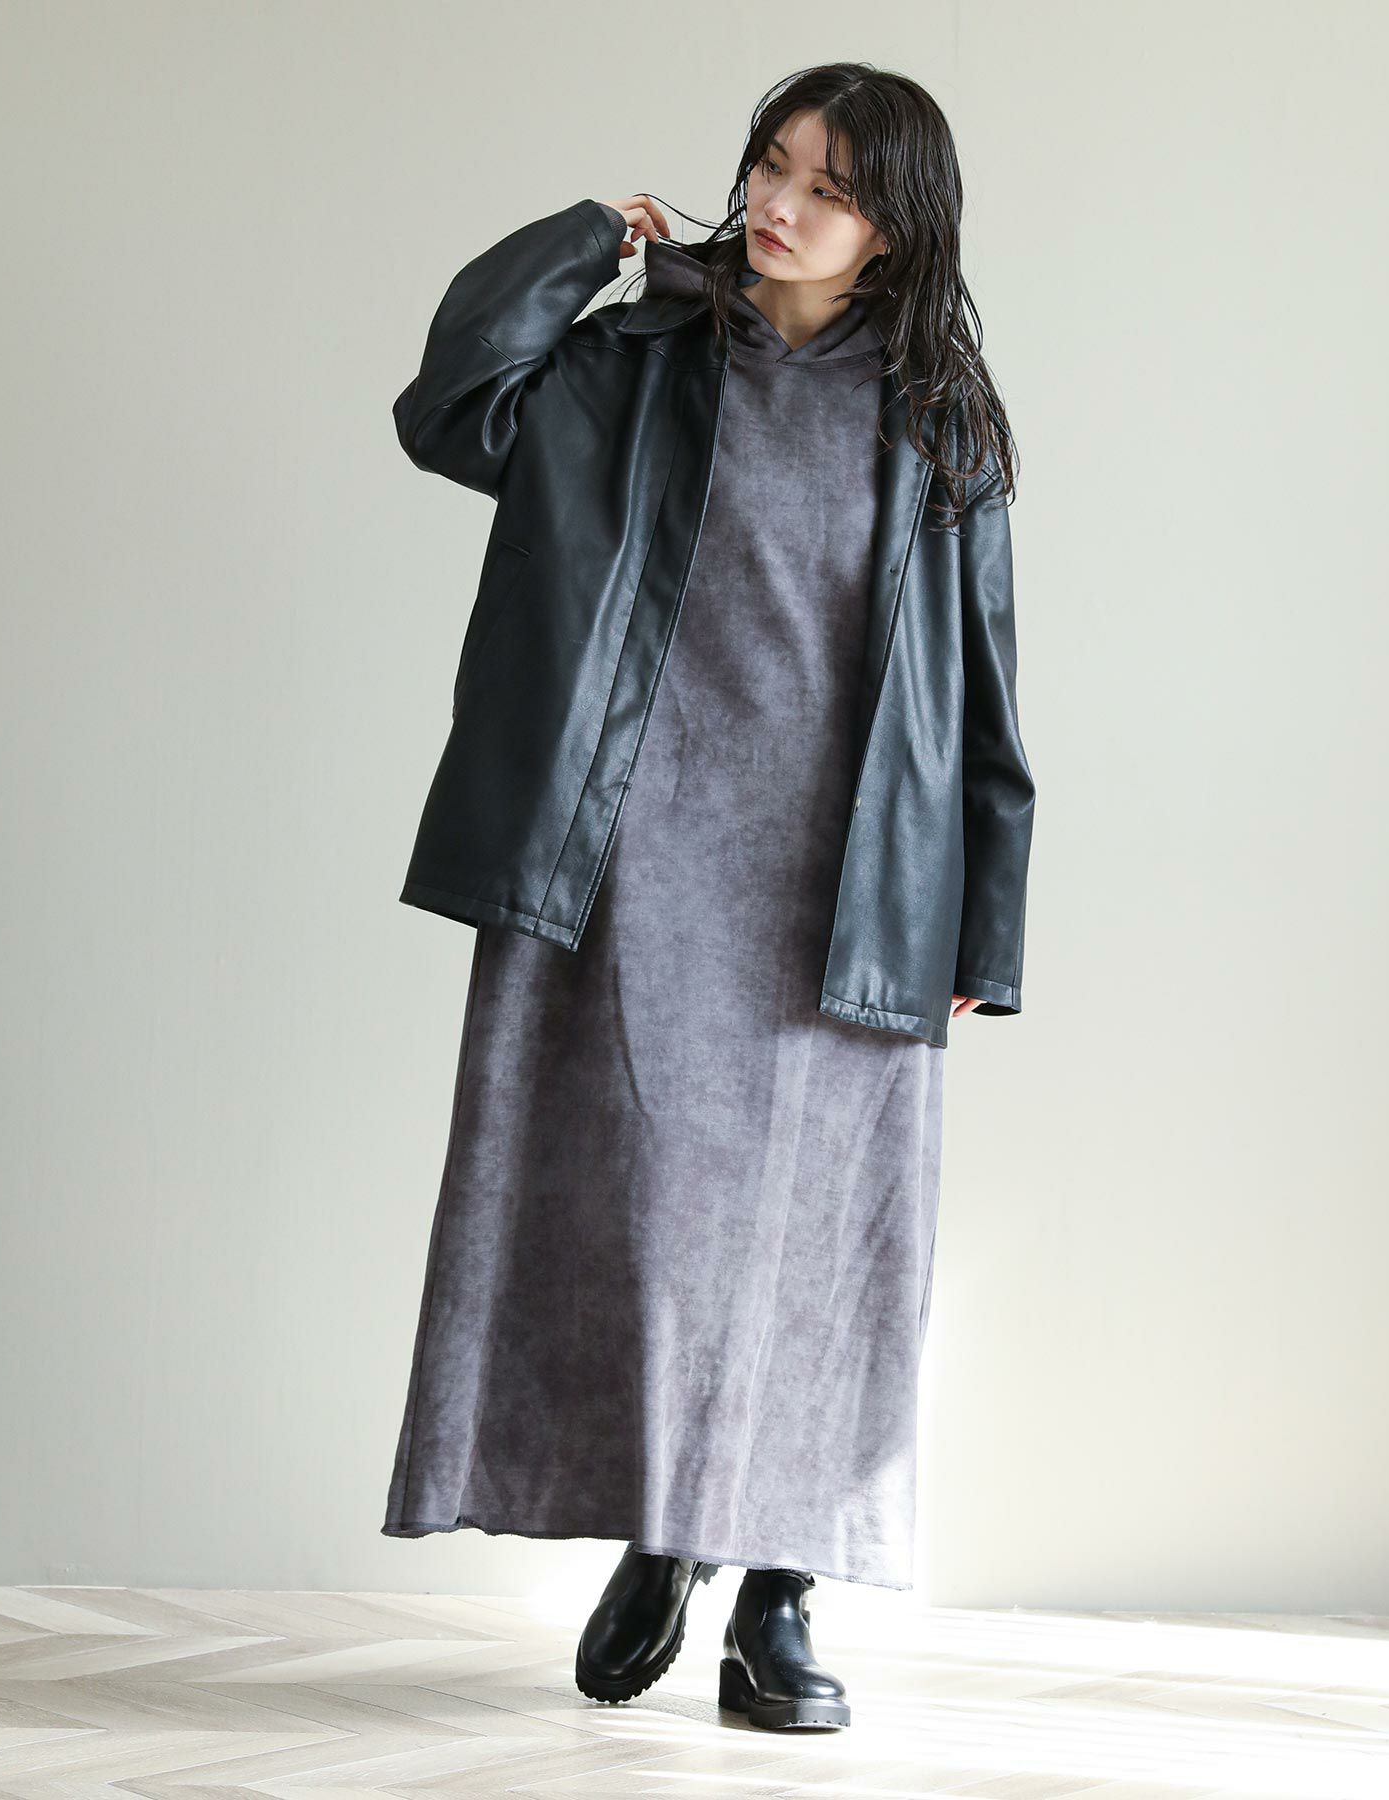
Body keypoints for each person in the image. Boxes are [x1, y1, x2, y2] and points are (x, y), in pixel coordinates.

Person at [380, 62, 1035, 1732]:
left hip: (847, 883)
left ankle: (780, 1599)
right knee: (647, 1223)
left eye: (828, 187)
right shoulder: (632, 361)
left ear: (894, 233)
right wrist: (580, 246)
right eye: (770, 165)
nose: (779, 204)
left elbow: (980, 688)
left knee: (821, 1249)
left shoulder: (943, 422)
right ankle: (667, 1533)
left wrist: (984, 926)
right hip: (632, 854)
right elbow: (451, 409)